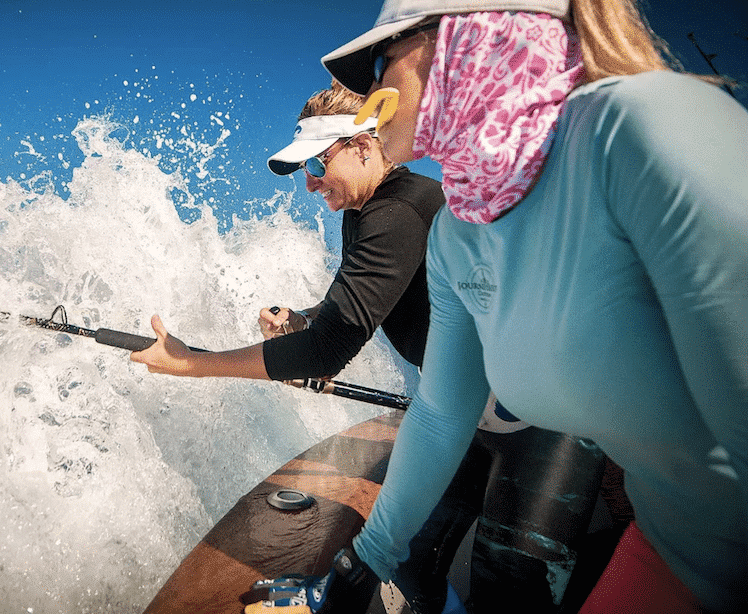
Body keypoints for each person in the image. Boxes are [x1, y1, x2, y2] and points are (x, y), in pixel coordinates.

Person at [246, 0, 747, 613]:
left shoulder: (640, 129)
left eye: (387, 55)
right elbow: (442, 414)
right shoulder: (459, 231)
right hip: (674, 548)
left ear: (466, 40)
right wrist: (368, 556)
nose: (375, 83)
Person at [132, 85, 612, 614]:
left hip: (547, 421)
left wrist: (190, 363)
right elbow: (355, 296)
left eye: (318, 162)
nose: (311, 182)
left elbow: (324, 355)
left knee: (513, 592)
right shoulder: (362, 210)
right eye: (304, 171)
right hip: (461, 411)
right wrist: (306, 317)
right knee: (415, 565)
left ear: (364, 147)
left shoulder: (397, 213)